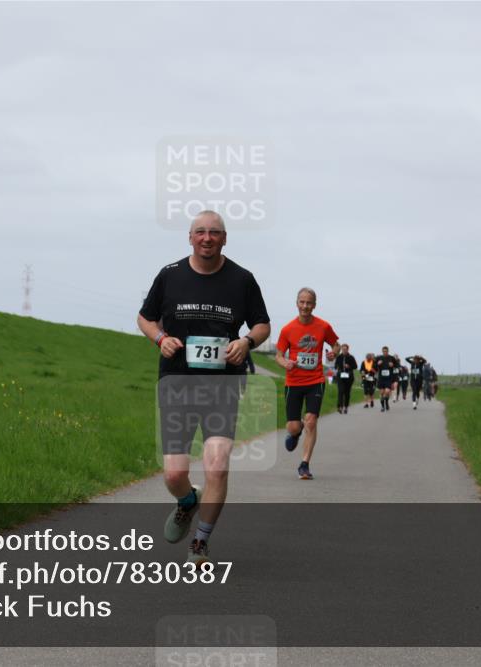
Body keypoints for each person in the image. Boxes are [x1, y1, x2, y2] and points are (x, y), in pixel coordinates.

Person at [138, 211, 270, 567]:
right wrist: (160, 338)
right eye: (200, 232)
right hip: (177, 383)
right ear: (190, 237)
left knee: (217, 467)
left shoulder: (242, 279)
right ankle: (186, 502)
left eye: (214, 232)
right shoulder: (170, 275)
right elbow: (145, 318)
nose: (207, 238)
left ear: (224, 239)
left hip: (222, 386)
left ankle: (200, 543)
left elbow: (262, 323)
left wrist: (246, 342)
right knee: (174, 474)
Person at [275, 288, 339, 480]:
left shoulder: (323, 326)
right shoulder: (287, 329)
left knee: (311, 420)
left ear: (314, 305)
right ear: (297, 303)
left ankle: (304, 464)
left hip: (315, 381)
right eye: (302, 302)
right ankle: (295, 433)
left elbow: (335, 343)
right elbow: (278, 355)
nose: (305, 306)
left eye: (309, 303)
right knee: (294, 426)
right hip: (293, 382)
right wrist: (285, 362)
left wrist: (333, 352)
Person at [333, 344, 357, 414]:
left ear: (347, 350)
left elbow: (355, 366)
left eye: (345, 349)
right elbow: (335, 366)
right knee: (340, 391)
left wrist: (349, 366)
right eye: (343, 349)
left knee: (347, 393)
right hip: (340, 375)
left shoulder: (351, 357)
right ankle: (340, 406)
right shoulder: (339, 357)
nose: (344, 351)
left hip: (349, 376)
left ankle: (346, 407)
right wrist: (337, 366)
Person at [374, 346, 398, 412]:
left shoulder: (391, 358)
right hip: (381, 378)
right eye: (384, 351)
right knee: (381, 393)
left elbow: (397, 366)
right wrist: (378, 364)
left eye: (386, 351)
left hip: (388, 378)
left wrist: (392, 365)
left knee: (387, 392)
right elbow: (374, 366)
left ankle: (386, 402)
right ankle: (382, 406)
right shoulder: (379, 358)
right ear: (382, 351)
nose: (385, 352)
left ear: (388, 351)